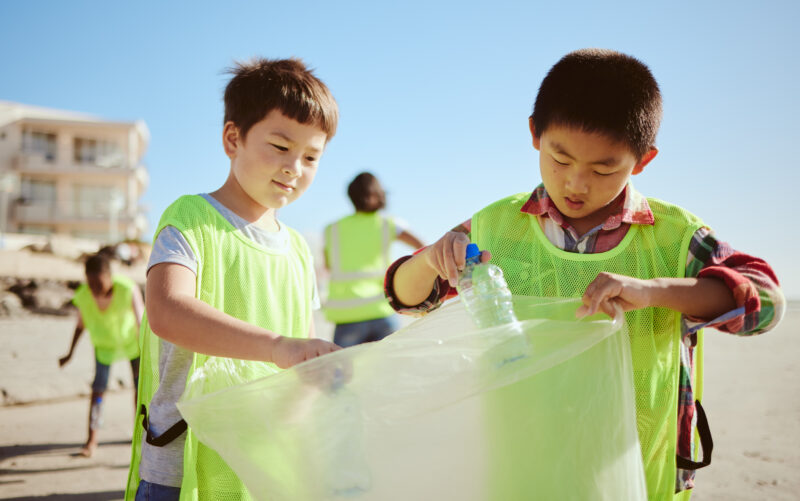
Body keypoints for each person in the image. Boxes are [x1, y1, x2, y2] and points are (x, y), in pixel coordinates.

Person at [385, 48, 785, 500]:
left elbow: (766, 303)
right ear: (535, 134)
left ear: (642, 161)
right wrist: (429, 259)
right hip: (523, 463)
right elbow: (405, 295)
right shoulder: (497, 225)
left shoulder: (675, 238)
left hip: (634, 467)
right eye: (560, 159)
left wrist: (656, 292)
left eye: (603, 168)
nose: (576, 183)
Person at [126, 58, 341, 500]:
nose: (294, 168)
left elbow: (304, 355)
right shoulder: (191, 218)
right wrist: (277, 347)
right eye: (280, 147)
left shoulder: (299, 250)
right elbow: (167, 311)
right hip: (181, 466)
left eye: (311, 157)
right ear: (233, 139)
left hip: (262, 465)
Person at [323, 172, 424, 346]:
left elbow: (328, 265)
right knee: (391, 370)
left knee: (343, 372)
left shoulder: (332, 229)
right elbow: (422, 248)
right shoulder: (389, 224)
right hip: (382, 310)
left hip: (347, 315)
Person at [59, 253, 144, 458]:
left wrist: (151, 350)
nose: (94, 288)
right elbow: (80, 325)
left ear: (109, 276)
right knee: (98, 392)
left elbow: (142, 322)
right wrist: (70, 353)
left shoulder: (127, 288)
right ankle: (91, 440)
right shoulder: (83, 295)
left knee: (140, 389)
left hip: (132, 345)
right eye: (90, 283)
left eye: (98, 283)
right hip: (104, 347)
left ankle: (139, 435)